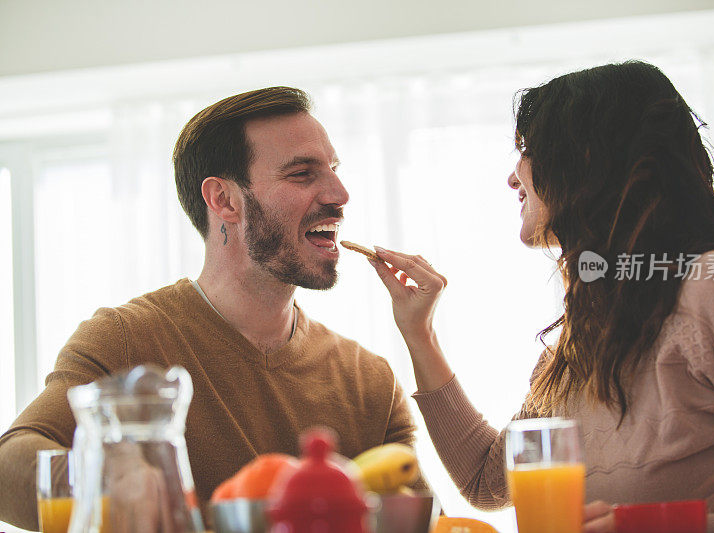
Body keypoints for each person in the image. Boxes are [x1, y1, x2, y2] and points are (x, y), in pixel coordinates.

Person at [366, 61, 714, 533]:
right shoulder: (582, 341)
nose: (514, 178)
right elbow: (487, 479)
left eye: (528, 151)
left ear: (589, 158)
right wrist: (419, 331)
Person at [0, 87, 422, 530]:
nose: (339, 193)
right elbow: (10, 464)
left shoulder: (369, 380)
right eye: (302, 174)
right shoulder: (125, 339)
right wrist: (103, 476)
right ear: (223, 201)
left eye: (333, 170)